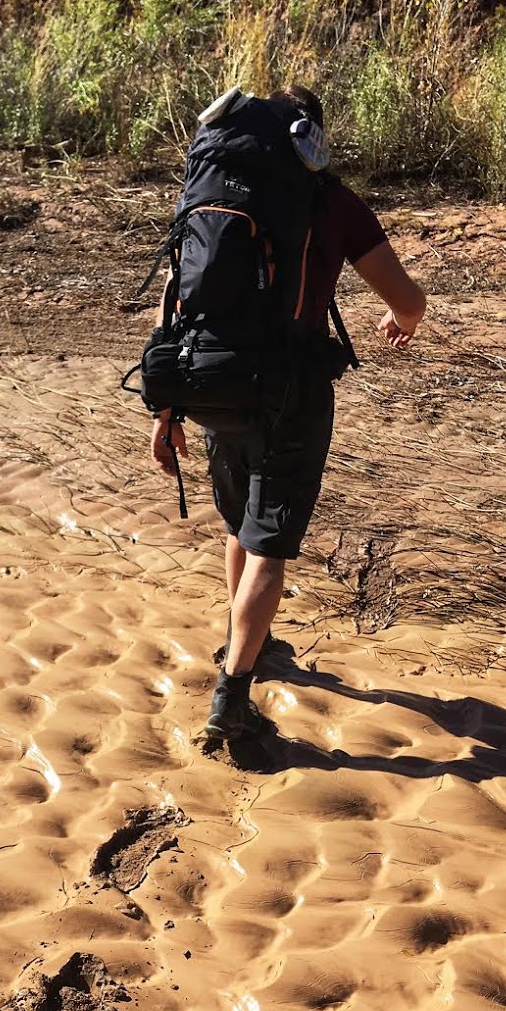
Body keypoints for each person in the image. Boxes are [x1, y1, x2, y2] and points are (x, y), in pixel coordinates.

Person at [149, 86, 427, 740]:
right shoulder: (331, 203)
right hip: (292, 390)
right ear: (314, 143)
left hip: (208, 383)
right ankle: (233, 697)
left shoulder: (211, 191)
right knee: (269, 546)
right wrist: (399, 318)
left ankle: (242, 639)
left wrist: (165, 412)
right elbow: (408, 300)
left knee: (239, 524)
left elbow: (174, 300)